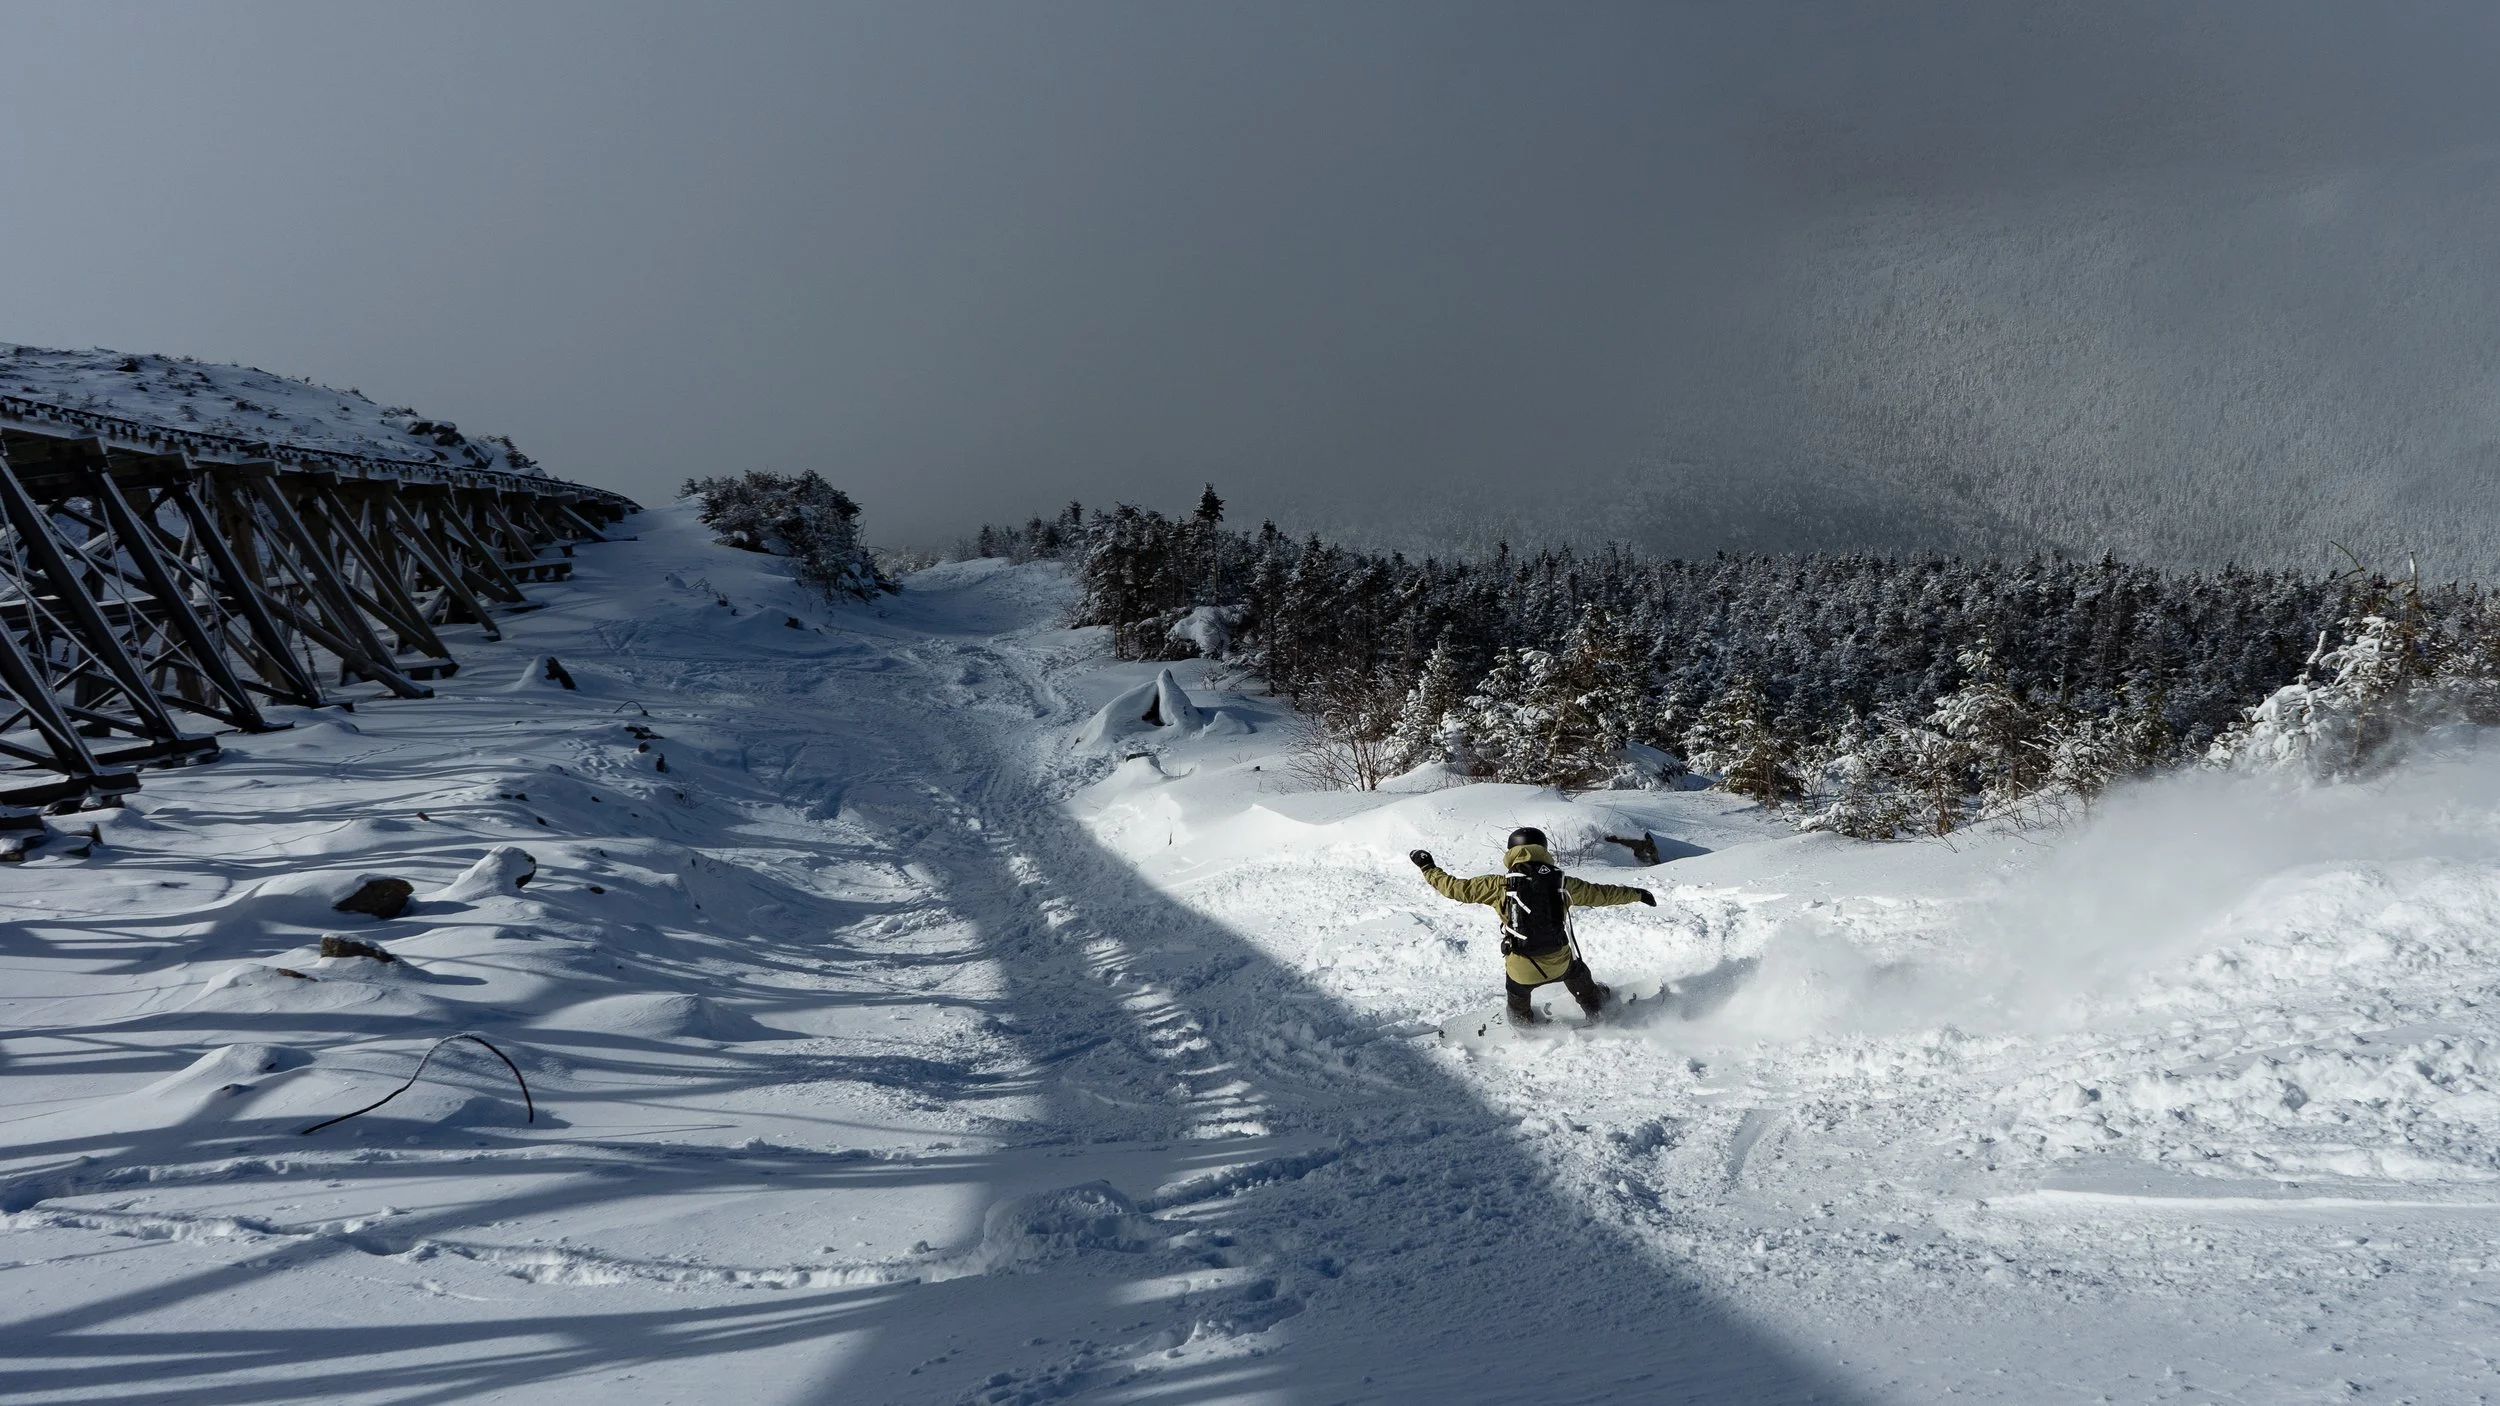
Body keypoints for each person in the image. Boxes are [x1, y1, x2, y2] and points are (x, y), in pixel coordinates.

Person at [1409, 826, 1655, 1024]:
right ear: (1543, 849)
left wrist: (1427, 866)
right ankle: (1595, 1007)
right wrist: (1638, 893)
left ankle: (1522, 1020)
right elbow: (1601, 893)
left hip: (1521, 969)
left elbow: (1453, 888)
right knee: (1577, 971)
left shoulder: (1498, 885)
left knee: (1516, 990)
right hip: (1560, 962)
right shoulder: (1560, 882)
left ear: (1511, 851)